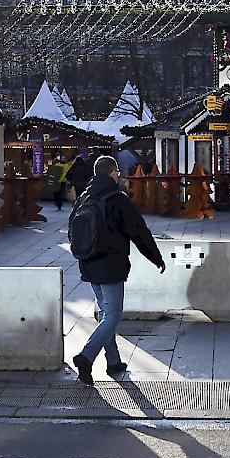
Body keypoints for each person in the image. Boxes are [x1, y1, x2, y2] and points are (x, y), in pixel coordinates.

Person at [70, 156, 166, 386]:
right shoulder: (117, 199)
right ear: (113, 173)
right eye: (118, 173)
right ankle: (86, 356)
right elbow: (138, 231)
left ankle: (113, 360)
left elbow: (73, 231)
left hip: (89, 262)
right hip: (111, 265)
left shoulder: (84, 197)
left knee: (105, 314)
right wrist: (156, 258)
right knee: (112, 315)